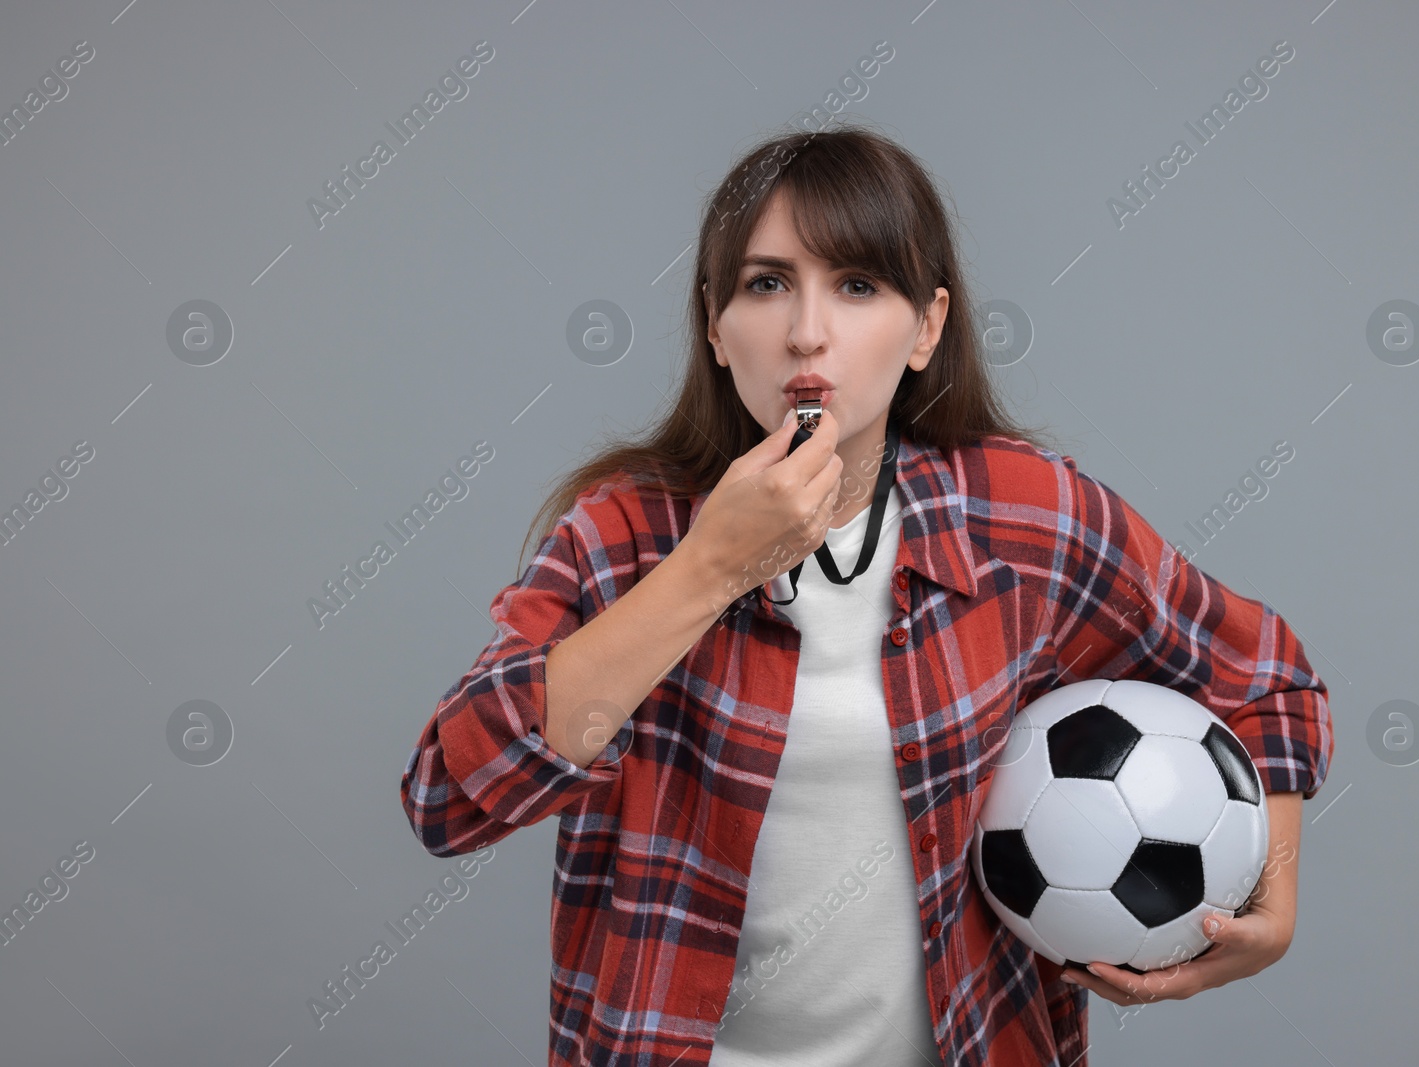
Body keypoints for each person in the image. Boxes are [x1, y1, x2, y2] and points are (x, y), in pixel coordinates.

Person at [400, 122, 1333, 1067]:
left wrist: (1277, 897)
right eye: (767, 284)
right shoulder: (624, 534)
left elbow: (1266, 679)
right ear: (717, 329)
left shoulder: (1021, 516)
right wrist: (708, 569)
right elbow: (451, 796)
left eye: (857, 285)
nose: (808, 330)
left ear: (925, 327)